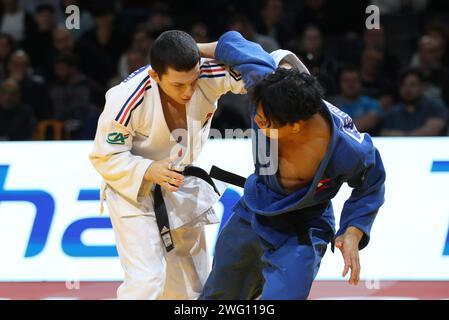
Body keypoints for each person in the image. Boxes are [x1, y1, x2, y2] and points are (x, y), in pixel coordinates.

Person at [199, 31, 386, 300]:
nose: (257, 123)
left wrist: (353, 232)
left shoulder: (346, 148)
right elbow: (236, 45)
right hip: (253, 208)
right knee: (219, 296)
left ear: (296, 126)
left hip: (303, 226)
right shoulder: (267, 88)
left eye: (265, 122)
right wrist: (191, 49)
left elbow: (372, 183)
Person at [89, 30, 247, 299]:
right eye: (177, 85)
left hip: (180, 183)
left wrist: (211, 48)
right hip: (134, 191)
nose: (188, 92)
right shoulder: (126, 98)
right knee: (147, 281)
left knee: (192, 286)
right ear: (155, 76)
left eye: (192, 81)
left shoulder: (207, 74)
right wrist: (149, 169)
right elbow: (105, 156)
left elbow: (262, 67)